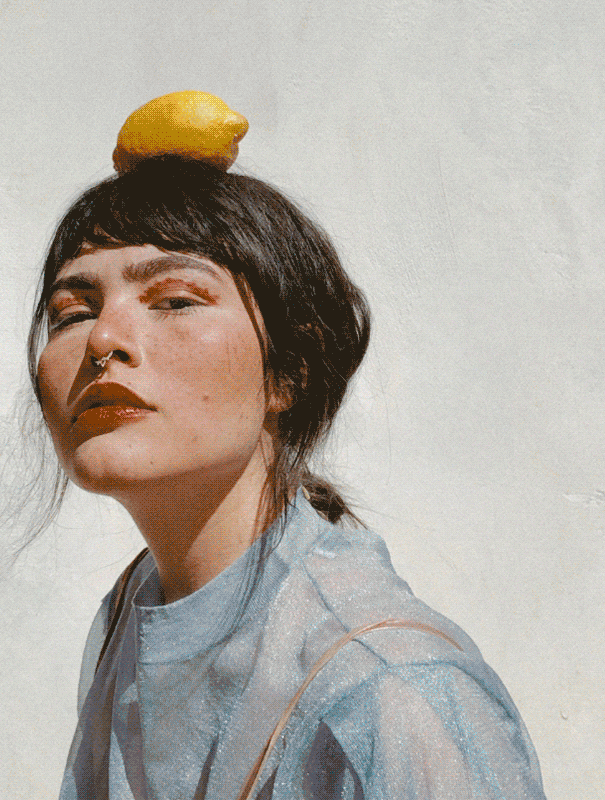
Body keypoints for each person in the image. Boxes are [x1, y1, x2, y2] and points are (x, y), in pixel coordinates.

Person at [27, 98, 546, 799]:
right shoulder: (130, 616)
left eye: (175, 300)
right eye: (72, 312)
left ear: (288, 373)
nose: (103, 340)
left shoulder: (390, 690)